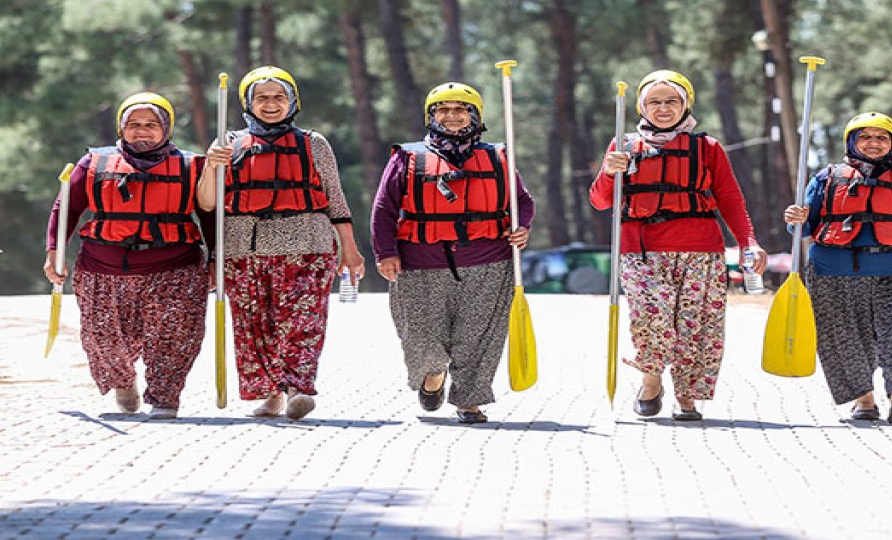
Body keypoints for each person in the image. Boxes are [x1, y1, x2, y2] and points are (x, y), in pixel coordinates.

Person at [589, 69, 766, 421]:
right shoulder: (622, 146)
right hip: (641, 251)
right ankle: (651, 378)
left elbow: (729, 198)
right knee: (652, 318)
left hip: (701, 250)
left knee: (696, 325)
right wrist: (609, 172)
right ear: (641, 106)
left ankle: (687, 396)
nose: (664, 108)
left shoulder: (708, 148)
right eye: (654, 101)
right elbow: (599, 201)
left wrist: (749, 242)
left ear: (686, 103)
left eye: (672, 101)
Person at [198, 65, 365, 420]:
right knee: (254, 326)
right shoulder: (226, 143)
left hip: (307, 243)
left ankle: (298, 388)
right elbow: (208, 203)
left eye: (279, 97)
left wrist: (349, 249)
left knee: (303, 320)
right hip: (245, 248)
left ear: (293, 101)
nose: (271, 104)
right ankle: (271, 394)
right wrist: (212, 167)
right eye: (262, 98)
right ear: (248, 102)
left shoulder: (314, 143)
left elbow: (335, 198)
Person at [370, 82, 534, 424]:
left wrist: (523, 227)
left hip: (488, 261)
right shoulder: (409, 158)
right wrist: (385, 252)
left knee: (478, 339)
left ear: (475, 115)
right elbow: (384, 208)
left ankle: (470, 400)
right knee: (421, 340)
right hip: (419, 262)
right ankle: (432, 376)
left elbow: (522, 202)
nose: (452, 116)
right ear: (431, 116)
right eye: (443, 110)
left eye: (461, 109)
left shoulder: (499, 157)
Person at [43, 92, 213, 420]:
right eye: (133, 124)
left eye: (151, 124)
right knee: (103, 339)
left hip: (174, 266)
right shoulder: (92, 163)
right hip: (102, 267)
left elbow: (210, 216)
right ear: (121, 128)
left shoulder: (192, 165)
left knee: (173, 337)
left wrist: (216, 259)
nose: (142, 130)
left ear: (167, 128)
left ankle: (165, 398)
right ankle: (122, 383)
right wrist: (54, 251)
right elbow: (66, 207)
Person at [782, 111, 892, 426]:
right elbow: (804, 229)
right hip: (835, 272)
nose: (873, 143)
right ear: (851, 141)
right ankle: (864, 401)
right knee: (846, 338)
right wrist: (795, 220)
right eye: (865, 136)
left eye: (881, 137)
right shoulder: (826, 178)